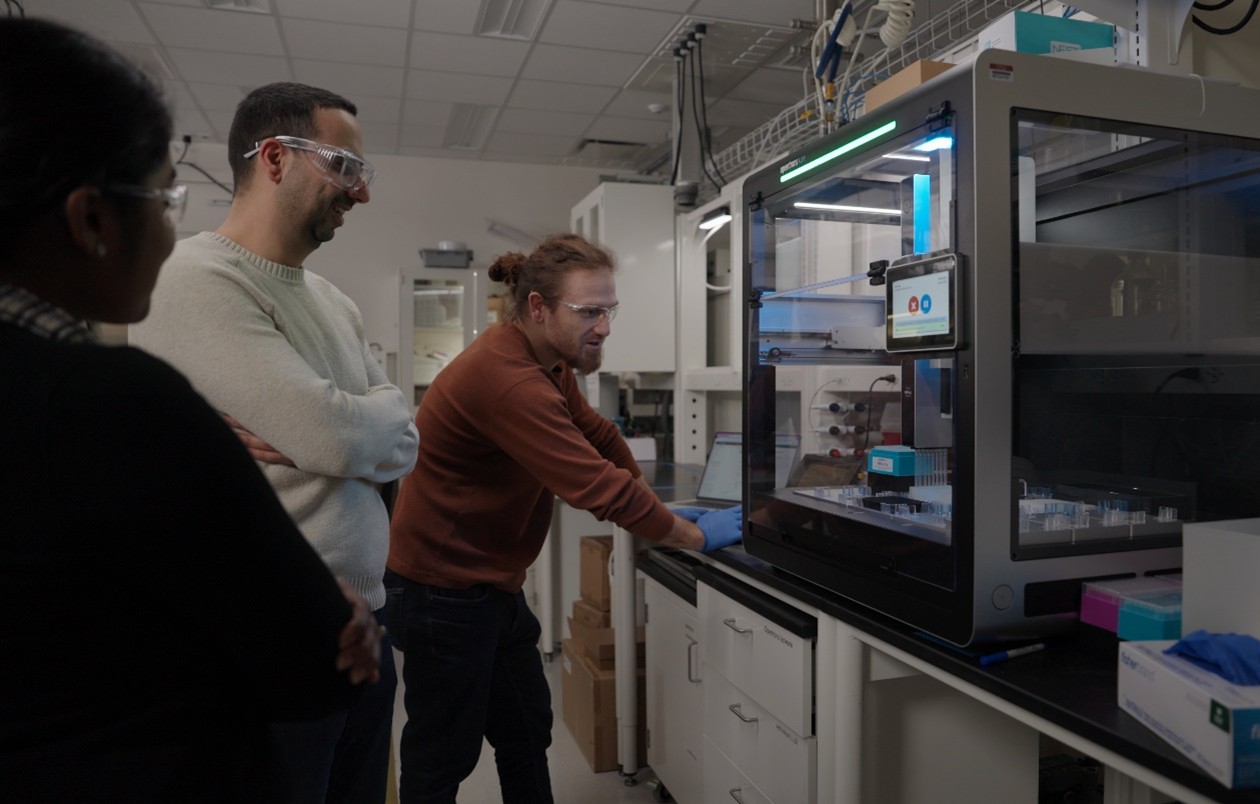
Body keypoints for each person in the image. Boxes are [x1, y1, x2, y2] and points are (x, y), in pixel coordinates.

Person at [0, 18, 382, 802]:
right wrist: (314, 609)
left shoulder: (331, 302)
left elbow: (380, 431)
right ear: (91, 220)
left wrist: (352, 428)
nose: (171, 226)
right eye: (162, 195)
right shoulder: (113, 399)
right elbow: (308, 651)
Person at [128, 82, 419, 803]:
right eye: (343, 168)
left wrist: (349, 427)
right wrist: (346, 429)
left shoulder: (332, 301)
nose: (360, 193)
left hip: (365, 625)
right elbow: (338, 434)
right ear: (277, 159)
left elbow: (401, 435)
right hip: (268, 639)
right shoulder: (195, 281)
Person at [385, 233, 741, 802]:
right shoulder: (510, 379)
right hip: (440, 590)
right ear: (538, 307)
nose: (604, 326)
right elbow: (594, 487)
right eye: (589, 312)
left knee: (526, 728)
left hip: (491, 584)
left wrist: (655, 505)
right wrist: (691, 535)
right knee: (442, 753)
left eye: (609, 310)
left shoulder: (547, 359)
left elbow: (598, 436)